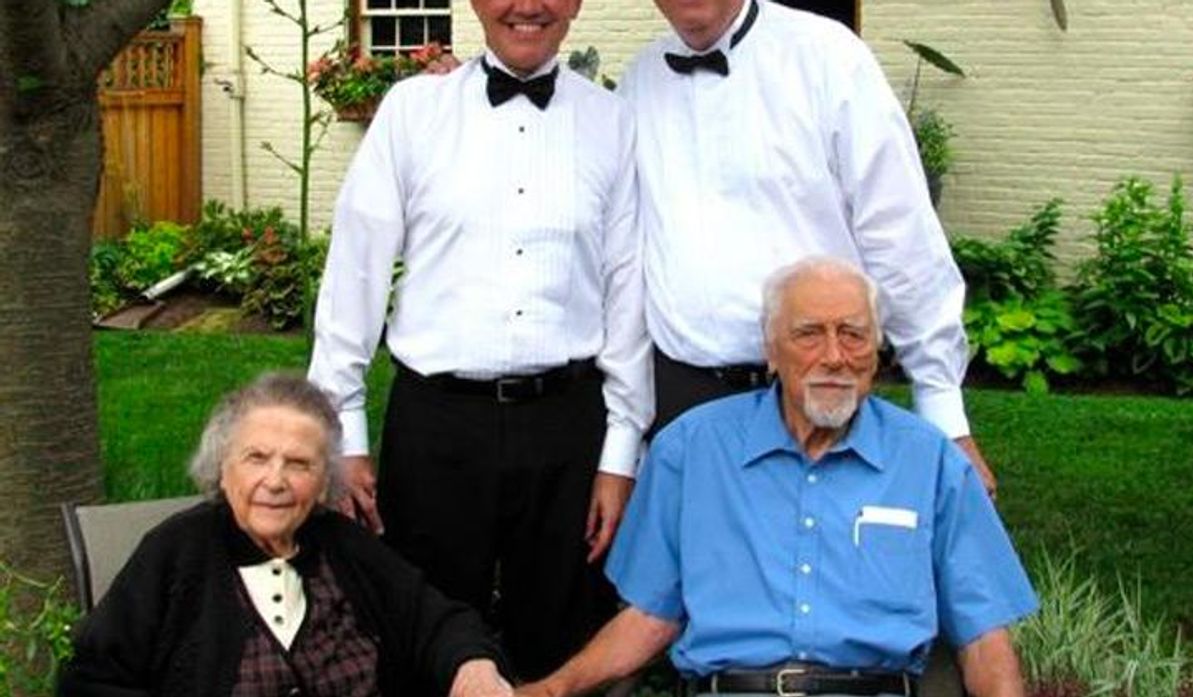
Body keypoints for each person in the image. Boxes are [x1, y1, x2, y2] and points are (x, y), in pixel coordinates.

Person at [306, 0, 652, 680]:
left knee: (561, 636)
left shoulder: (613, 123)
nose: (528, 6)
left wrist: (619, 451)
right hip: (436, 424)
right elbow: (354, 276)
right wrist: (343, 435)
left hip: (566, 425)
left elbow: (628, 292)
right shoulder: (412, 114)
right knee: (419, 631)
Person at [517, 258, 1039, 697]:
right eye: (809, 334)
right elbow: (650, 617)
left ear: (877, 352)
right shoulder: (692, 451)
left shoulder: (931, 463)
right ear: (771, 350)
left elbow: (983, 639)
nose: (834, 356)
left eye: (854, 335)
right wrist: (551, 690)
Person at [619, 0, 997, 495]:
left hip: (817, 388)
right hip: (685, 402)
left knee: (822, 565)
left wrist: (945, 414)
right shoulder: (639, 83)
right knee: (696, 569)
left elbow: (900, 236)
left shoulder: (828, 58)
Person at [58, 373, 512, 697]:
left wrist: (474, 669)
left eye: (298, 464)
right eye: (257, 457)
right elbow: (90, 679)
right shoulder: (175, 551)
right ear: (222, 467)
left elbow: (437, 621)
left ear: (323, 484)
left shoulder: (344, 545)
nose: (275, 481)